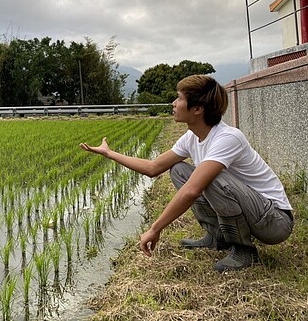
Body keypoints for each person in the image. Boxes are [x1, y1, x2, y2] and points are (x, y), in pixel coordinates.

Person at [79, 74, 293, 272]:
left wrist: (155, 228)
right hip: (253, 211)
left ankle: (244, 251)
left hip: (274, 221)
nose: (174, 103)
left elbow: (192, 191)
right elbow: (153, 168)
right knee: (179, 170)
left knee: (209, 178)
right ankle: (216, 236)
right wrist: (109, 153)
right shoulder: (191, 137)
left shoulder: (228, 137)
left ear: (197, 109)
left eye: (179, 98)